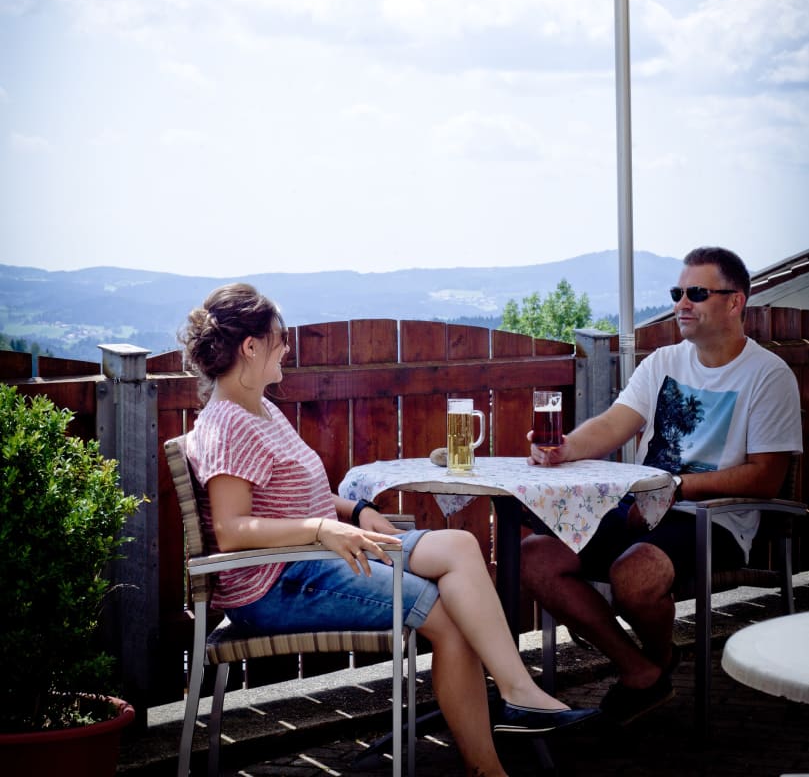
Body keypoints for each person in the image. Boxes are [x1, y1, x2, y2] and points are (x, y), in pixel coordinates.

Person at [180, 283, 597, 777]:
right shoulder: (229, 424)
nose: (287, 348)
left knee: (460, 545)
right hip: (278, 585)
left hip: (318, 559)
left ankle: (518, 693)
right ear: (251, 347)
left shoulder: (262, 410)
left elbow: (296, 498)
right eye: (280, 338)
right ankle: (490, 765)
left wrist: (354, 510)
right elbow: (231, 530)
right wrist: (322, 529)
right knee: (450, 617)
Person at [521, 246, 802, 726]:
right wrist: (564, 449)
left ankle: (652, 665)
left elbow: (765, 476)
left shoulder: (768, 375)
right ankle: (643, 670)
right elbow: (615, 423)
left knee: (635, 573)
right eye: (677, 293)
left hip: (716, 516)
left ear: (735, 302)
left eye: (697, 293)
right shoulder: (662, 362)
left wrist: (676, 488)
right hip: (642, 507)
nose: (681, 304)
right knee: (534, 557)